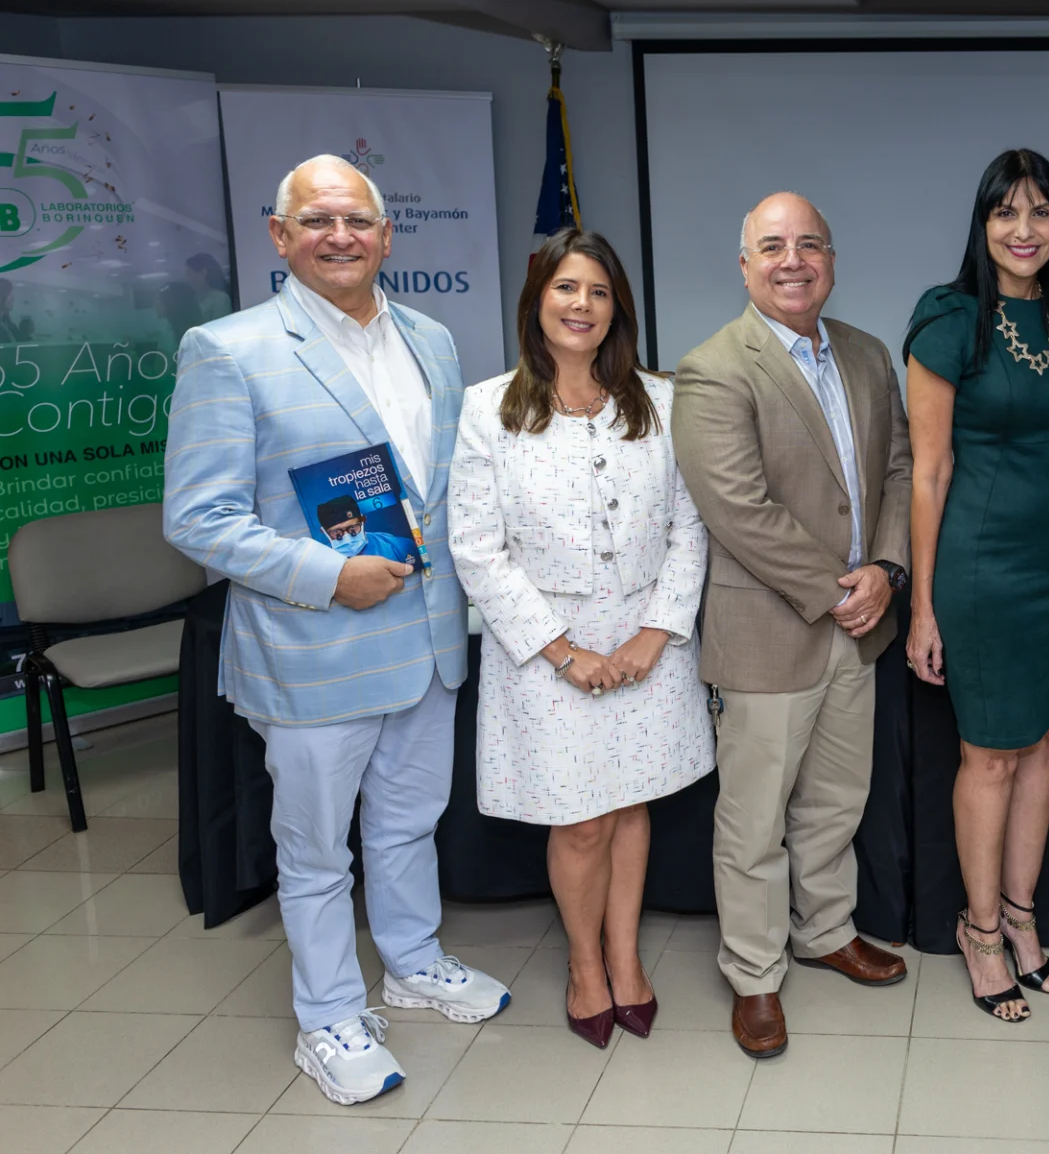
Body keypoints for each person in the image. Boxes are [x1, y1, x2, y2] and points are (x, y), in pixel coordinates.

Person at [164, 155, 509, 1107]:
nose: (340, 236)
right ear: (280, 236)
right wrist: (328, 576)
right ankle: (327, 1016)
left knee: (409, 822)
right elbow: (197, 517)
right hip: (313, 650)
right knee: (315, 851)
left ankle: (412, 959)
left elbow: (442, 488)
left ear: (387, 236)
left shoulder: (433, 339)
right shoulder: (228, 350)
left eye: (357, 220)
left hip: (428, 642)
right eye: (317, 220)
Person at [448, 228, 711, 1050]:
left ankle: (626, 958)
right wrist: (563, 650)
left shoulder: (661, 401)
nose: (582, 305)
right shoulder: (489, 407)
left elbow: (691, 524)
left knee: (631, 805)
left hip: (647, 643)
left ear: (617, 309)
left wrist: (657, 631)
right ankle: (585, 965)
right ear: (537, 301)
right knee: (580, 820)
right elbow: (475, 547)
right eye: (566, 287)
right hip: (544, 650)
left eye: (599, 291)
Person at [673, 191, 914, 1059]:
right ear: (744, 265)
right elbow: (737, 508)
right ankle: (754, 972)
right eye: (772, 246)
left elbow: (897, 470)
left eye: (810, 244)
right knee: (754, 819)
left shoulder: (867, 352)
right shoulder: (712, 368)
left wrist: (886, 569)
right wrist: (840, 589)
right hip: (770, 633)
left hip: (861, 624)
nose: (793, 260)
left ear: (832, 261)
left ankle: (825, 930)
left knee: (836, 800)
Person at [903, 150, 1049, 1023]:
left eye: (1041, 212)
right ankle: (979, 930)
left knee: (1046, 744)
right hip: (983, 569)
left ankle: (1022, 916)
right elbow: (929, 472)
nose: (1025, 229)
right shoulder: (949, 320)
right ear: (982, 224)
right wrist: (922, 606)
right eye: (1006, 212)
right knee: (990, 754)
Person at [316, 495, 419, 564]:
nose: (347, 538)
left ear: (363, 521)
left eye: (353, 528)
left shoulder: (398, 547)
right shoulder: (321, 564)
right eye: (336, 532)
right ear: (324, 532)